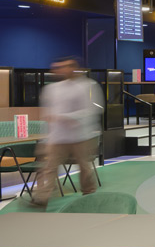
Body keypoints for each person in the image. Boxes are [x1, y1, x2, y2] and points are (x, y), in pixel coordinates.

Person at [28, 56, 103, 208]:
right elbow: (48, 113)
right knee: (49, 167)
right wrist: (47, 136)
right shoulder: (51, 89)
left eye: (64, 67)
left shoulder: (87, 86)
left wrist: (67, 117)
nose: (60, 71)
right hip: (57, 138)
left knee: (84, 168)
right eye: (58, 68)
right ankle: (41, 198)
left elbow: (92, 109)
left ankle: (89, 194)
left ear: (72, 67)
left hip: (82, 136)